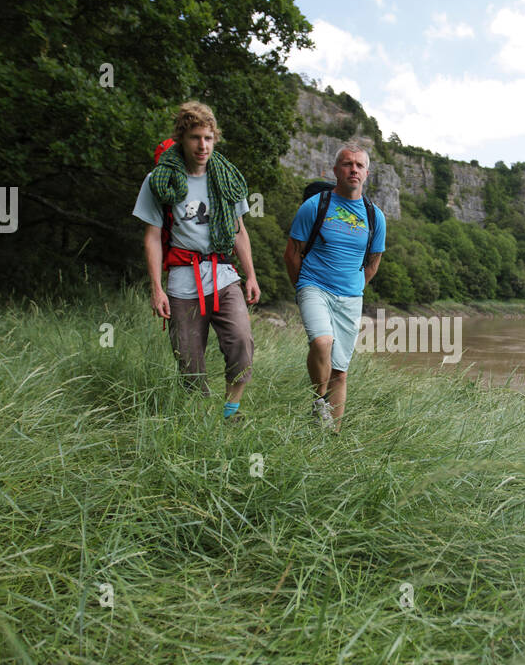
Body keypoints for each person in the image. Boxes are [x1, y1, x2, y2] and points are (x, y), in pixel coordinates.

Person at [134, 101, 261, 419]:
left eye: (208, 137)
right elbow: (152, 236)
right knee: (188, 357)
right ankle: (199, 415)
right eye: (195, 137)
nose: (202, 145)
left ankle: (231, 411)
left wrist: (252, 276)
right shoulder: (158, 180)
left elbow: (239, 231)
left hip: (223, 273)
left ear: (214, 138)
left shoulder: (227, 177)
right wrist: (156, 288)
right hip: (182, 278)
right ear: (181, 138)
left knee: (241, 341)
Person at [284, 142, 386, 432]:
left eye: (359, 165)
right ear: (336, 170)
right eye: (347, 163)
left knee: (340, 372)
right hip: (314, 286)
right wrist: (303, 288)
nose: (353, 169)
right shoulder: (315, 206)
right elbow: (291, 253)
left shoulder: (375, 216)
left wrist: (355, 286)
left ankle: (331, 435)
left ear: (367, 173)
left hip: (351, 297)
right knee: (321, 342)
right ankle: (318, 402)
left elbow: (374, 261)